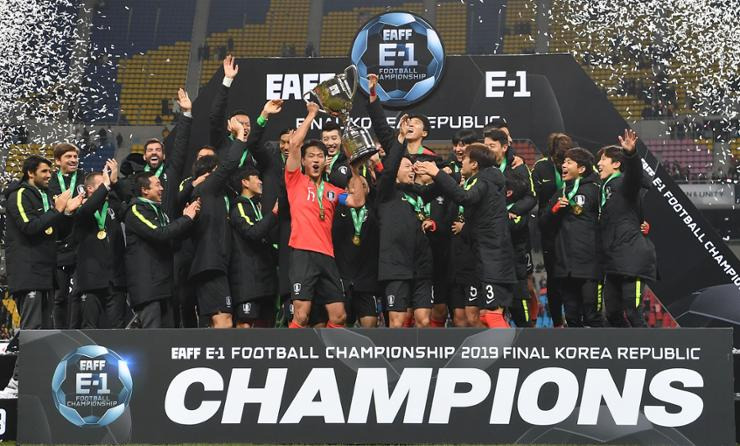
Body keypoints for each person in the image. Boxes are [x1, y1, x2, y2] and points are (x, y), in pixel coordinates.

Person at [1, 155, 82, 398]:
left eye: (49, 171)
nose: (49, 175)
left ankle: (38, 382)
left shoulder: (45, 195)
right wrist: (57, 209)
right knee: (33, 329)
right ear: (30, 173)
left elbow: (55, 232)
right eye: (44, 171)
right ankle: (16, 383)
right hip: (28, 273)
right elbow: (30, 227)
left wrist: (66, 213)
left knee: (45, 331)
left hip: (46, 272)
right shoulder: (19, 195)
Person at [415, 143, 517, 328]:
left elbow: (465, 198)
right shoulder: (483, 179)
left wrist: (437, 173)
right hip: (485, 256)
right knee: (484, 315)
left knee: (492, 315)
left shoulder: (485, 180)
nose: (461, 162)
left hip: (494, 258)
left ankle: (511, 348)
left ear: (475, 164)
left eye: (465, 159)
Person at [285, 102, 368, 328]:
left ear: (325, 161)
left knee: (339, 316)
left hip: (327, 256)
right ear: (303, 161)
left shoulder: (332, 191)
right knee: (302, 316)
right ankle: (293, 349)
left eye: (320, 156)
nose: (315, 159)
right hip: (302, 253)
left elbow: (357, 201)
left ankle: (329, 350)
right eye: (311, 156)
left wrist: (355, 170)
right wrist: (311, 114)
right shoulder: (295, 180)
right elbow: (294, 144)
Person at [367, 74, 435, 328]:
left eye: (412, 165)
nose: (412, 168)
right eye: (407, 165)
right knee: (397, 322)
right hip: (395, 265)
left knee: (424, 320)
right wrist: (374, 96)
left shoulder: (422, 187)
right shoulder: (386, 190)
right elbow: (386, 141)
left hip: (422, 264)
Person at [124, 172, 200, 328]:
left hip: (165, 286)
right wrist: (186, 218)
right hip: (148, 288)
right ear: (145, 190)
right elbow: (159, 234)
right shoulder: (136, 210)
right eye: (157, 184)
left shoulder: (160, 212)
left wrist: (189, 220)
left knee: (168, 337)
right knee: (153, 336)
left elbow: (173, 240)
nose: (162, 188)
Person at [597, 129, 657, 327]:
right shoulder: (604, 189)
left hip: (632, 258)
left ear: (616, 164)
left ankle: (647, 347)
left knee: (633, 313)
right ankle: (626, 347)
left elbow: (635, 175)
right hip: (613, 261)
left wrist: (631, 154)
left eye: (603, 159)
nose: (599, 164)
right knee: (612, 314)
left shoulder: (624, 183)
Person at [539, 148, 603, 327]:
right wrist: (554, 210)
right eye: (563, 162)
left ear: (581, 169)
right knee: (572, 317)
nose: (563, 165)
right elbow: (542, 224)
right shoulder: (560, 193)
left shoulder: (596, 190)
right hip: (565, 267)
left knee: (592, 315)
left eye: (569, 162)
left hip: (590, 266)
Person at [74, 160, 127, 328]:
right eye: (102, 184)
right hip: (91, 280)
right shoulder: (81, 207)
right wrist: (106, 184)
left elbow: (130, 200)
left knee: (117, 329)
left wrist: (116, 182)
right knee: (89, 327)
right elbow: (87, 209)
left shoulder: (113, 205)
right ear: (90, 189)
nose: (107, 186)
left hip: (115, 280)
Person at [532, 133, 573, 327]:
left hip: (573, 229)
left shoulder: (577, 165)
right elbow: (533, 198)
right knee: (554, 278)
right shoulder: (540, 167)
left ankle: (576, 321)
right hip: (549, 230)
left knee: (575, 277)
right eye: (559, 159)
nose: (562, 164)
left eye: (565, 159)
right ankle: (557, 322)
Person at [229, 167, 279, 328]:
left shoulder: (258, 206)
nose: (260, 181)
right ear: (245, 182)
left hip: (266, 281)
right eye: (256, 178)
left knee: (266, 328)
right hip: (248, 282)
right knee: (245, 326)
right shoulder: (239, 206)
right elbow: (252, 232)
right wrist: (274, 214)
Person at [47, 143, 85, 329]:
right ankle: (60, 332)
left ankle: (77, 332)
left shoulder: (84, 178)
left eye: (75, 157)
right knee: (60, 295)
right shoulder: (51, 183)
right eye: (68, 157)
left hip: (82, 244)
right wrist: (67, 210)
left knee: (79, 293)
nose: (73, 160)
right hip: (59, 245)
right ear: (57, 161)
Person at [321, 120, 352, 188]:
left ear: (341, 140)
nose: (330, 143)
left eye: (334, 138)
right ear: (321, 141)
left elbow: (343, 185)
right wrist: (319, 169)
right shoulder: (317, 161)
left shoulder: (348, 160)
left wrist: (329, 171)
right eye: (326, 139)